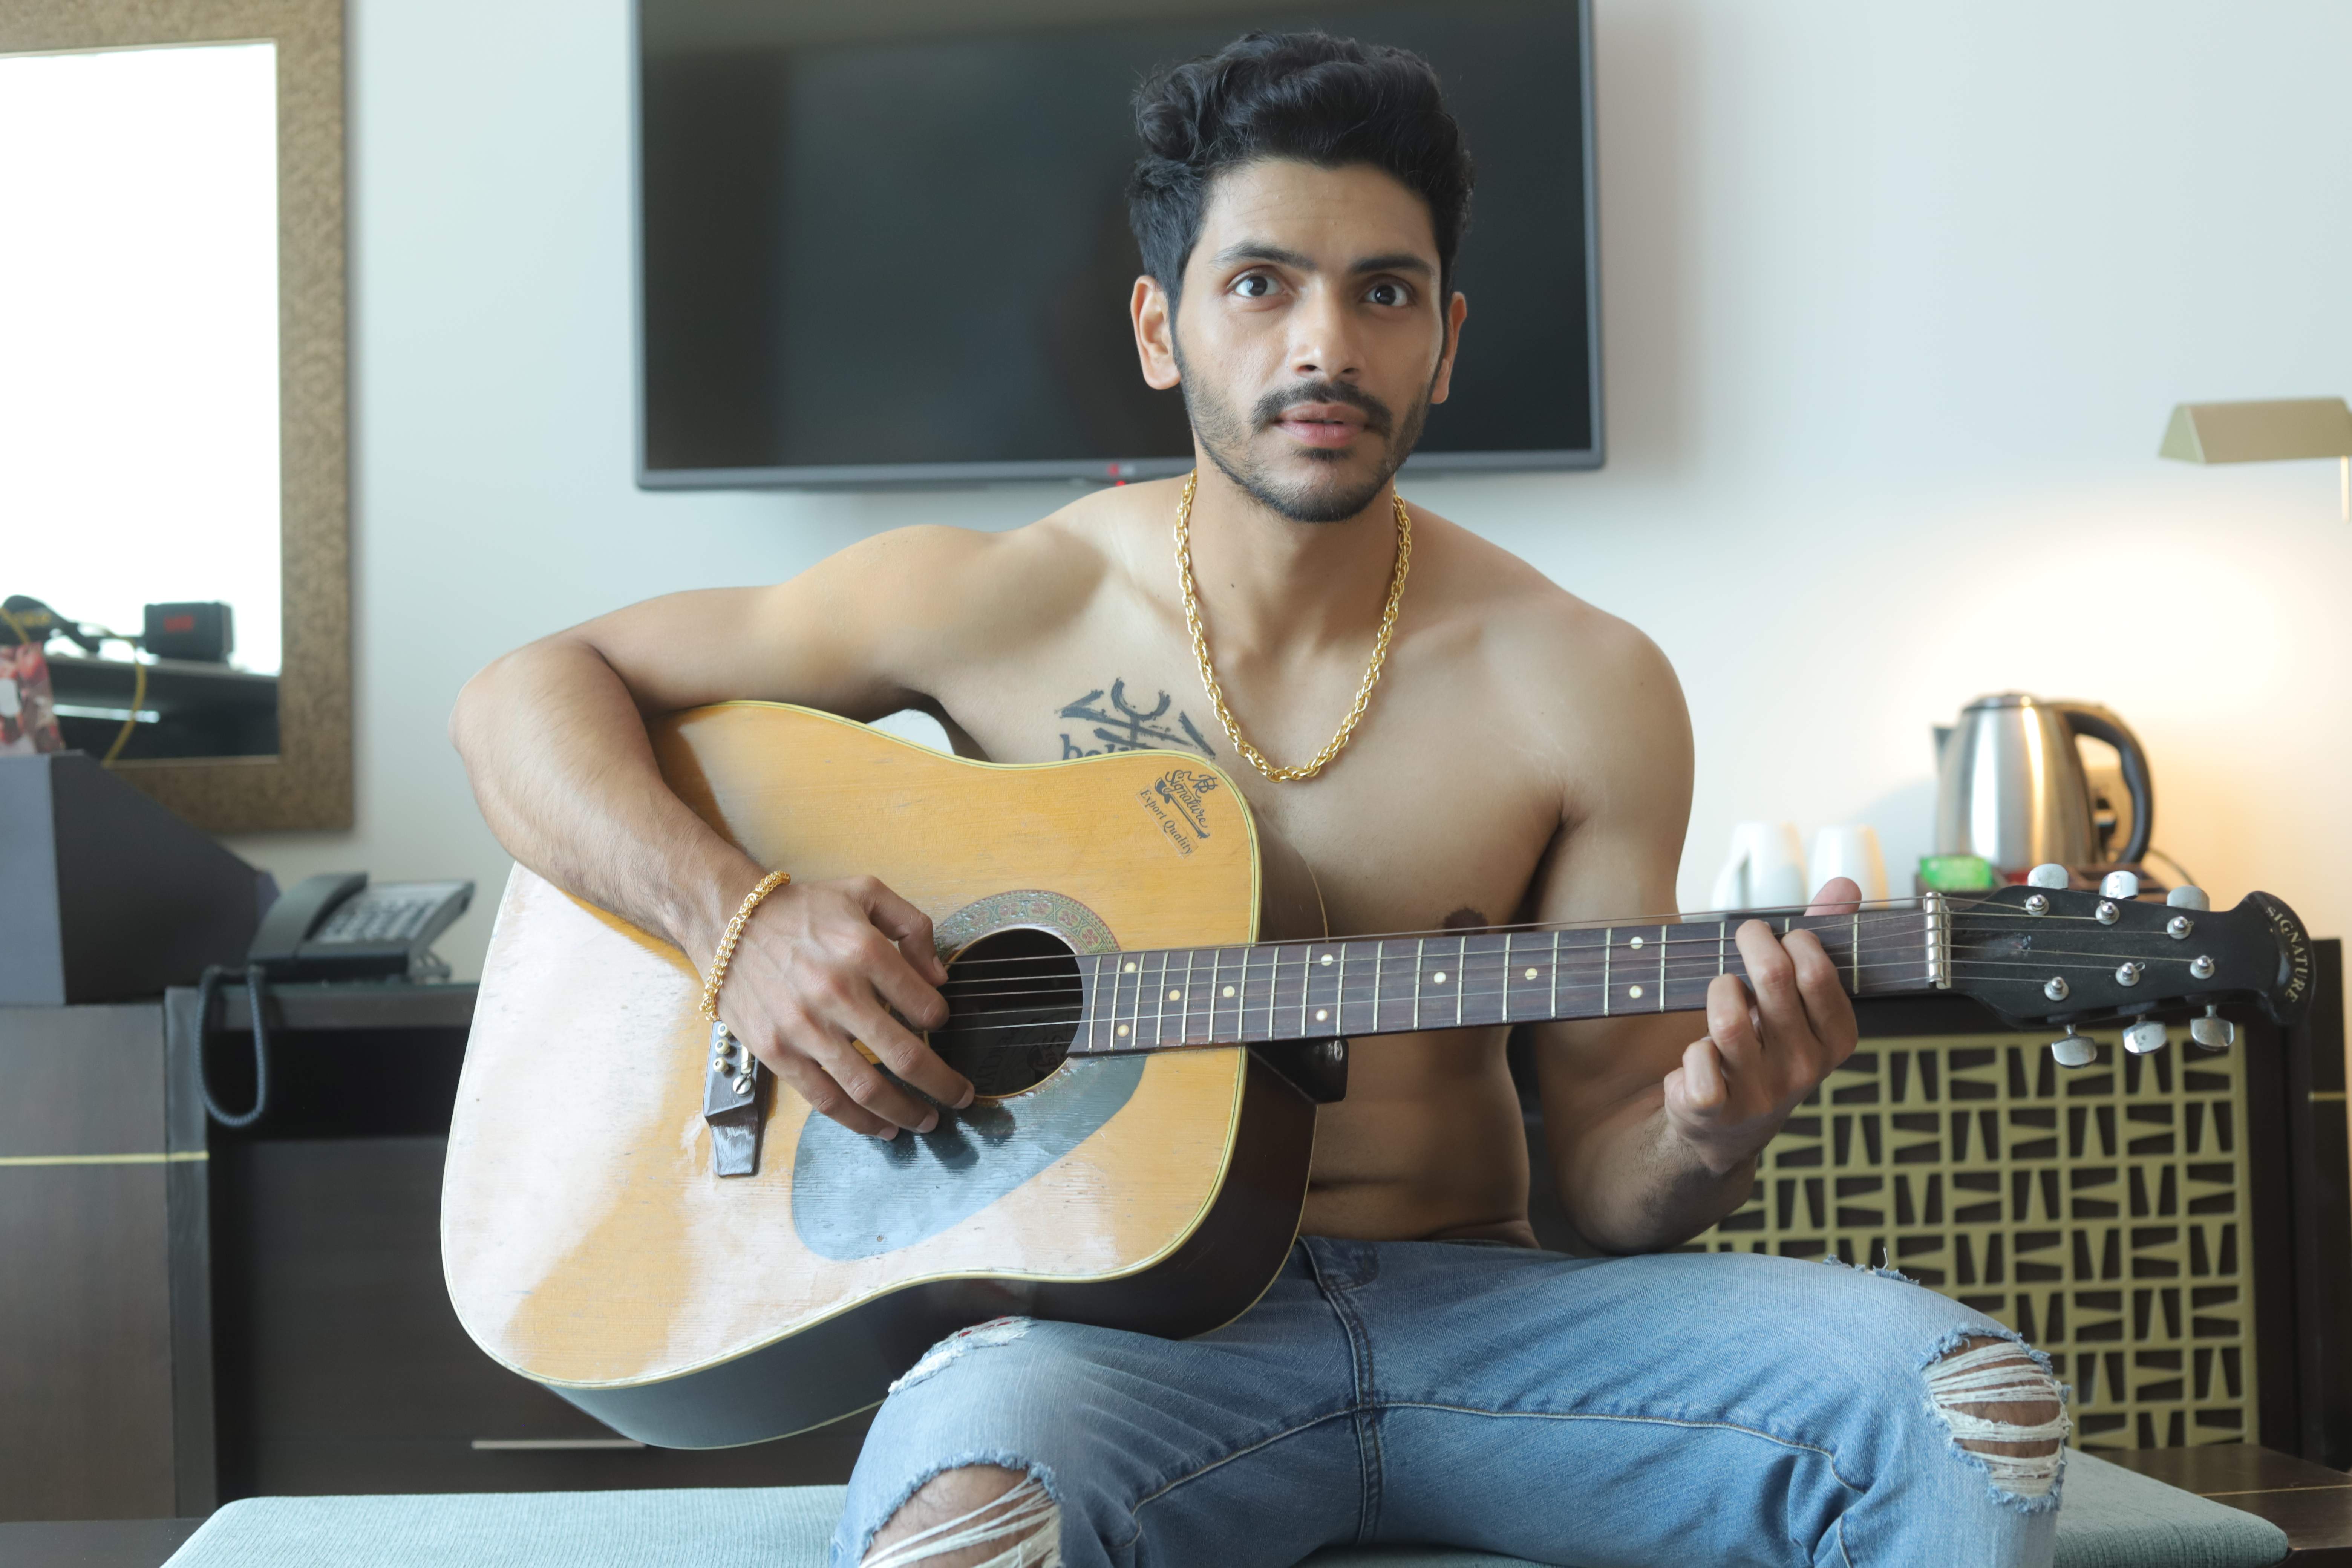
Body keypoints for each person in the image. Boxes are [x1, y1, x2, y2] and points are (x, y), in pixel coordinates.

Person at [451, 31, 2066, 1568]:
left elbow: (1604, 1183)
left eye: (1385, 292)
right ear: (1160, 330)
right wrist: (738, 924)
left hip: (1495, 1325)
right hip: (1111, 1352)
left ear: (1446, 340)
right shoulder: (1002, 604)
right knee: (964, 1524)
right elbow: (523, 695)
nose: (1326, 345)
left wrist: (1712, 1128)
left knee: (1971, 1411)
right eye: (1260, 284)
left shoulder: (1587, 685)